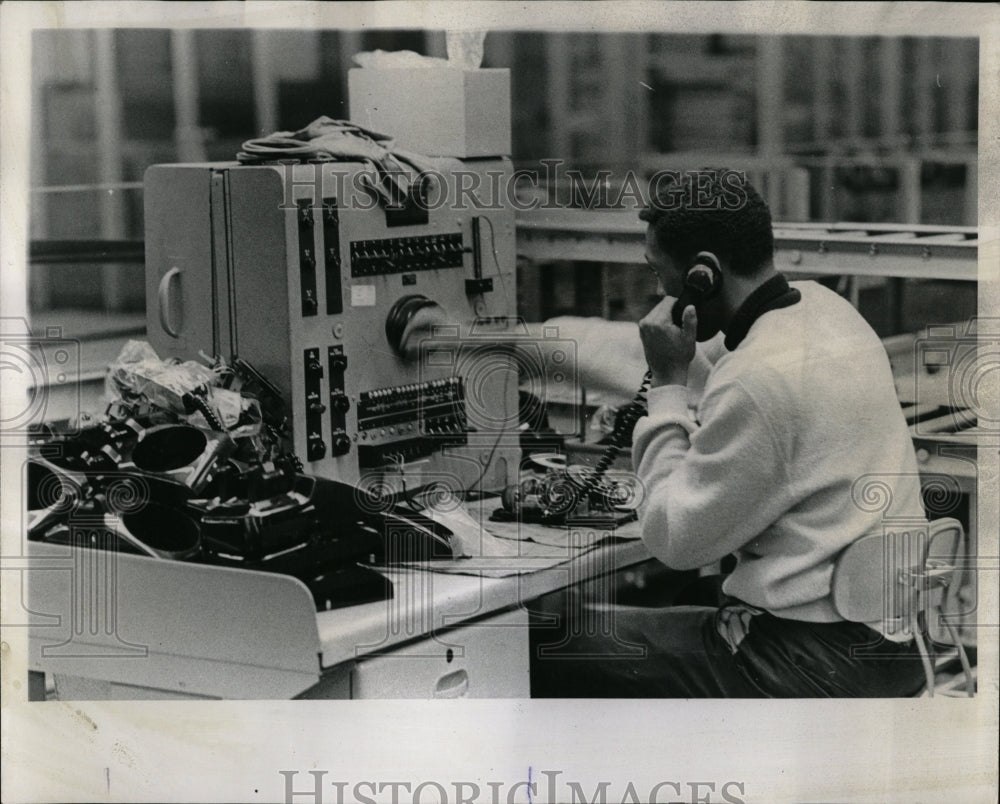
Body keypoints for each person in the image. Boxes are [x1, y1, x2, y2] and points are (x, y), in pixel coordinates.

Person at [531, 169, 930, 697]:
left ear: (704, 275)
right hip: (892, 642)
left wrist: (666, 390)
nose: (658, 291)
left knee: (548, 645)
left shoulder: (757, 380)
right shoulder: (825, 311)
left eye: (659, 274)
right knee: (684, 598)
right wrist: (522, 343)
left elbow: (673, 538)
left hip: (808, 663)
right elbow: (692, 364)